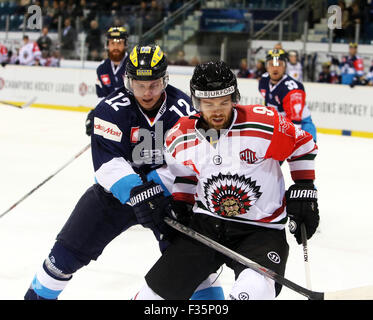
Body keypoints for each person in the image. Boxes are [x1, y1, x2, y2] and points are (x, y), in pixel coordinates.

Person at [24, 44, 224, 300]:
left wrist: (156, 189)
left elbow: (190, 161)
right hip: (114, 197)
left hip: (166, 199)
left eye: (153, 84)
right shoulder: (109, 108)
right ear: (128, 81)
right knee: (63, 256)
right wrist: (138, 191)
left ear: (165, 80)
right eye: (139, 85)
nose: (147, 92)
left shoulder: (184, 110)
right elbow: (108, 163)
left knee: (192, 267)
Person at [134, 60, 319, 300]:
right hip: (206, 227)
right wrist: (181, 203)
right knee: (151, 298)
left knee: (252, 293)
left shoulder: (264, 124)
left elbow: (303, 145)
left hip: (261, 230)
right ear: (197, 102)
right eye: (209, 104)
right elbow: (186, 172)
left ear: (235, 98)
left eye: (224, 102)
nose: (218, 110)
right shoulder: (181, 135)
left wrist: (304, 188)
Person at [258, 49, 317, 141]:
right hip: (281, 125)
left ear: (285, 66)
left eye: (279, 64)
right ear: (266, 66)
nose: (275, 68)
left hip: (302, 129)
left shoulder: (293, 90)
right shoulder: (264, 81)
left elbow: (295, 125)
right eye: (271, 64)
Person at [85, 26, 129, 136]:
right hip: (112, 120)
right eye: (112, 43)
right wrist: (96, 114)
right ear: (107, 45)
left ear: (125, 45)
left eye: (119, 43)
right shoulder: (102, 69)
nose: (116, 47)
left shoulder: (134, 65)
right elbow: (102, 98)